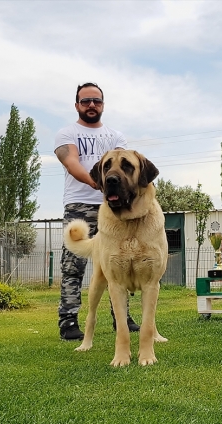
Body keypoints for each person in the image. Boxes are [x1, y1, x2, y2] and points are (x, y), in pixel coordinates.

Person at [55, 82, 140, 340]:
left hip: (114, 208)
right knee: (73, 265)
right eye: (86, 101)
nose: (91, 105)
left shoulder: (116, 137)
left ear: (103, 104)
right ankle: (68, 321)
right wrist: (98, 183)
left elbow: (126, 167)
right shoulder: (66, 134)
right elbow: (71, 162)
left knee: (120, 263)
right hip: (79, 205)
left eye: (96, 101)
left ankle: (122, 318)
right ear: (77, 105)